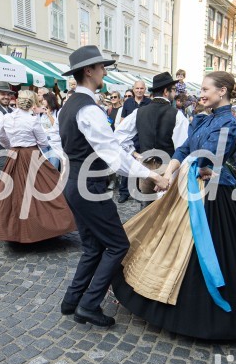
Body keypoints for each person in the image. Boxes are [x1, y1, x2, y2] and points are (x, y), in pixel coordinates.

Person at [111, 71, 236, 340]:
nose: (201, 93)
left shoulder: (228, 122)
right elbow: (183, 149)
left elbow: (209, 159)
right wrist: (169, 173)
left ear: (223, 92)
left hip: (212, 194)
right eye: (202, 89)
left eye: (206, 89)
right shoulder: (203, 118)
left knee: (211, 248)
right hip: (188, 184)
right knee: (164, 235)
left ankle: (202, 310)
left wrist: (200, 166)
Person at [53, 45, 168, 328]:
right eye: (102, 67)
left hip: (76, 183)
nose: (105, 71)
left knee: (93, 246)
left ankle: (71, 300)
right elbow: (114, 154)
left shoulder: (69, 105)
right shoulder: (88, 109)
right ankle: (88, 305)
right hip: (87, 186)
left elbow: (63, 146)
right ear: (89, 71)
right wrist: (152, 176)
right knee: (117, 245)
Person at [0, 90, 74, 243]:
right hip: (32, 155)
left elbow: (1, 137)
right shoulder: (32, 120)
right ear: (32, 103)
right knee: (44, 188)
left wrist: (12, 146)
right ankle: (43, 228)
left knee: (13, 193)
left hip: (14, 155)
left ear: (17, 101)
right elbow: (43, 142)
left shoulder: (7, 118)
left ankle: (15, 230)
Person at [115, 72, 189, 206]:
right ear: (166, 91)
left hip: (146, 167)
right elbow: (183, 148)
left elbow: (119, 136)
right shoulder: (177, 115)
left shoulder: (139, 112)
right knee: (166, 210)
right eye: (173, 90)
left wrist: (135, 154)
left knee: (146, 210)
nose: (174, 93)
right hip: (168, 169)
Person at [116, 80, 151, 203]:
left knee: (140, 165)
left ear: (145, 89)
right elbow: (123, 120)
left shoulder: (149, 103)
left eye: (142, 88)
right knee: (127, 164)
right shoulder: (128, 103)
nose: (139, 90)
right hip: (129, 139)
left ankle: (137, 191)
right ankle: (124, 192)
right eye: (137, 88)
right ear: (133, 89)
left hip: (142, 138)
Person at [38, 93, 61, 170]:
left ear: (50, 100)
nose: (43, 101)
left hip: (54, 141)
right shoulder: (41, 113)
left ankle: (56, 182)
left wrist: (49, 115)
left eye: (44, 99)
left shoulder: (57, 112)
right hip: (43, 141)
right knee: (45, 167)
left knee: (54, 166)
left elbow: (56, 126)